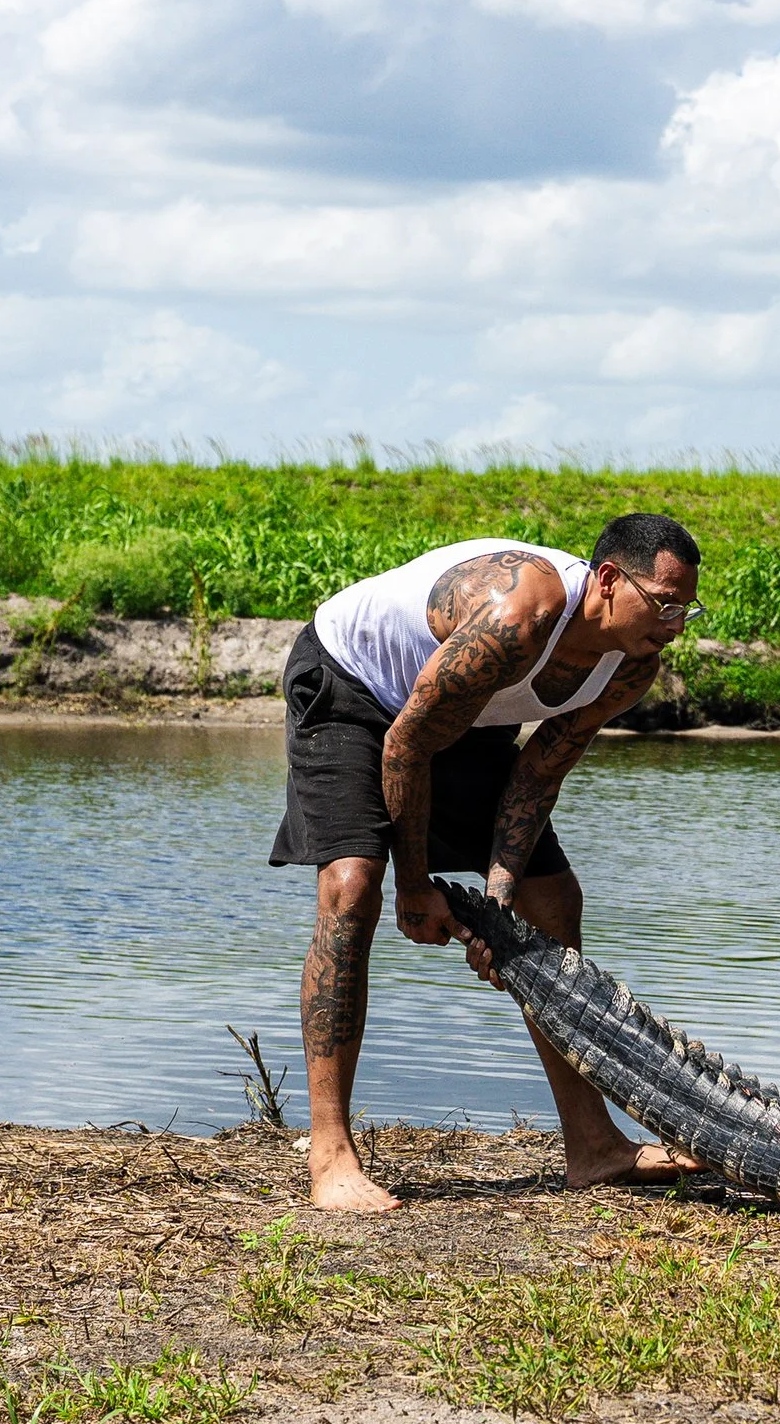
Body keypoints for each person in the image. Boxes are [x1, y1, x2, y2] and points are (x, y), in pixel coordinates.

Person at [269, 512, 708, 1212]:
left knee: (553, 899)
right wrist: (415, 890)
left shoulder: (632, 665)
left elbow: (536, 776)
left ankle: (592, 1146)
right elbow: (406, 745)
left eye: (688, 607)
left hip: (465, 709)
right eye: (663, 602)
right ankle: (330, 1156)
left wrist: (499, 900)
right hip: (354, 687)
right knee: (353, 887)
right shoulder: (519, 615)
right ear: (606, 580)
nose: (676, 621)